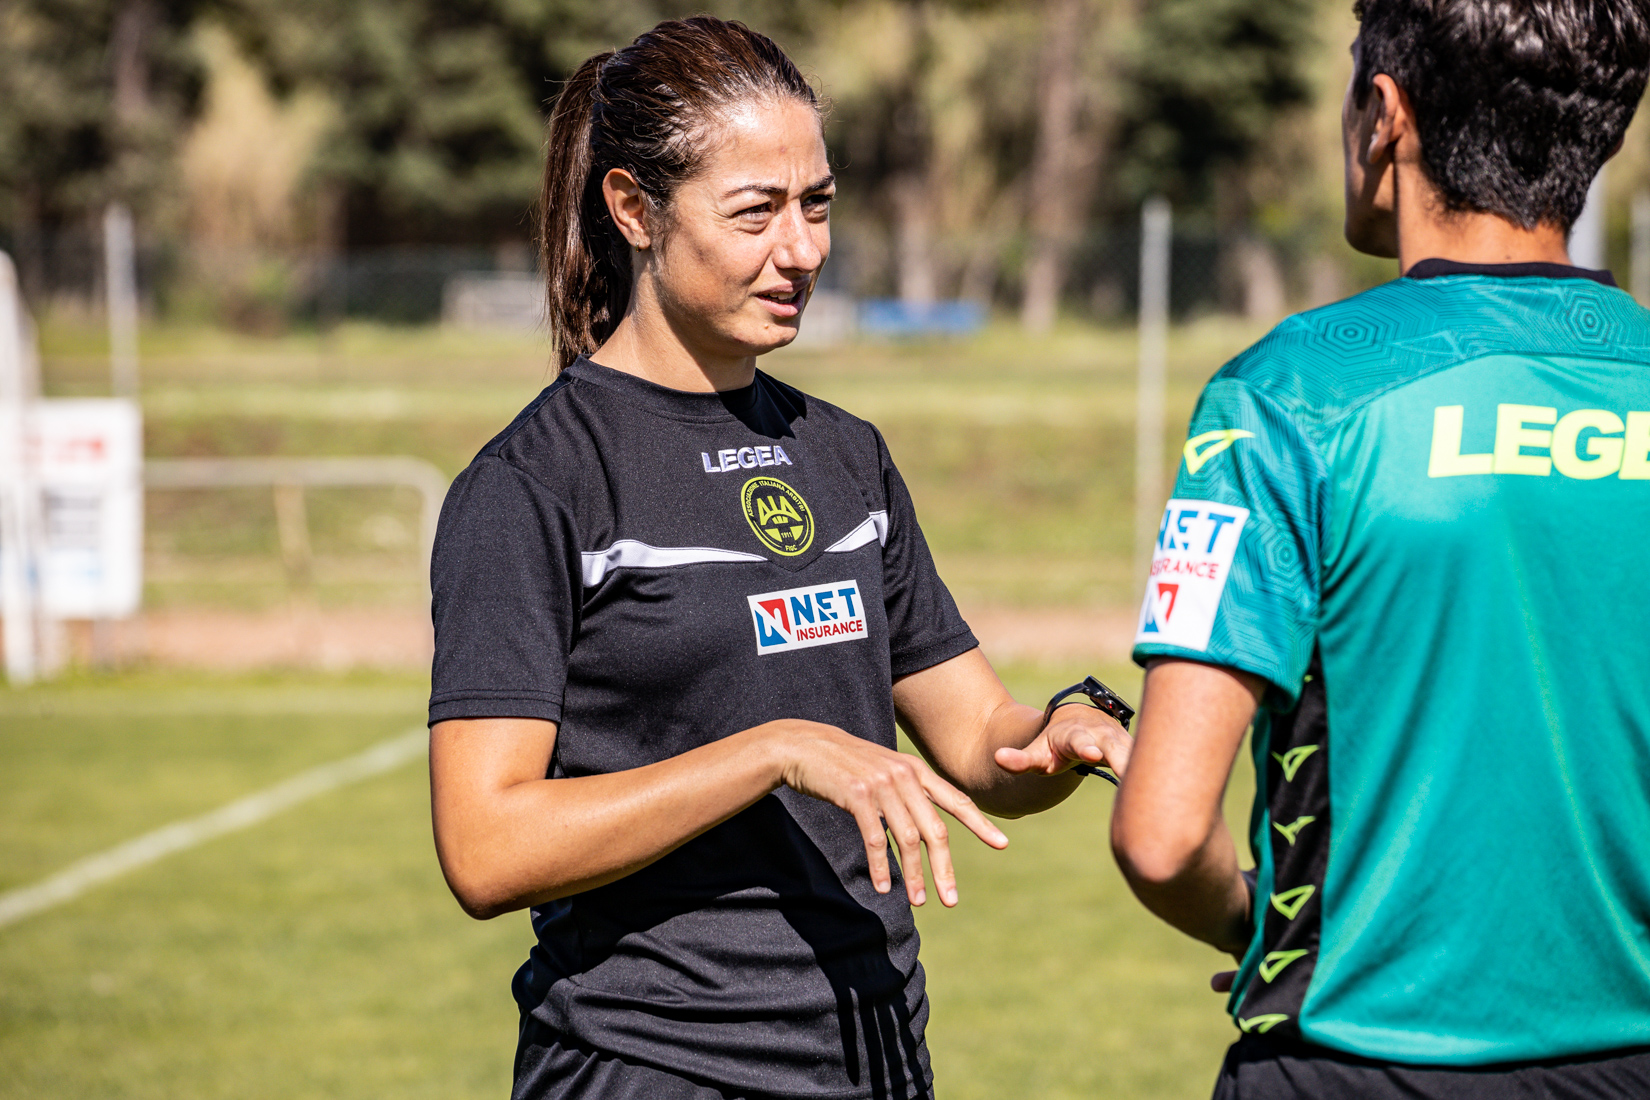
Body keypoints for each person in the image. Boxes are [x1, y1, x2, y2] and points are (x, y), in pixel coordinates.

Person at [425, 17, 1127, 1100]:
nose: (801, 248)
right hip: (650, 1064)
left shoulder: (845, 454)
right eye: (755, 211)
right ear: (632, 210)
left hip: (876, 1051)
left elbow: (977, 740)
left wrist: (1058, 733)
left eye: (818, 205)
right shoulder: (536, 482)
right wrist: (773, 750)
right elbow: (484, 844)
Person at [1109, 0, 1650, 1095]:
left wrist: (1260, 922)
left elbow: (1164, 834)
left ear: (1385, 115)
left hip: (1359, 1061)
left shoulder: (1291, 393)